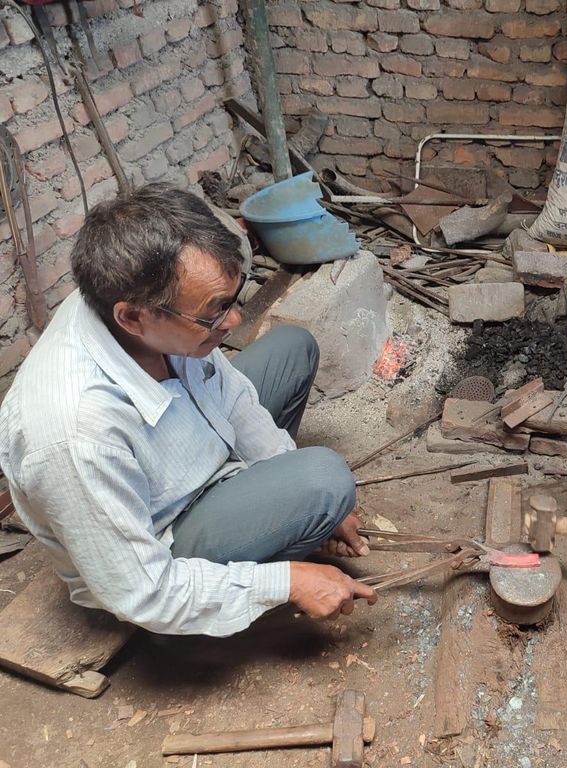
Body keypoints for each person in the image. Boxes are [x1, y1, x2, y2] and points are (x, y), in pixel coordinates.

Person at [0, 184, 376, 637]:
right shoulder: (74, 432)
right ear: (133, 318)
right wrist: (284, 580)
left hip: (195, 461)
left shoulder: (143, 303)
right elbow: (143, 591)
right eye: (214, 311)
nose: (233, 321)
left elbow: (232, 396)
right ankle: (249, 548)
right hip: (165, 538)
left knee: (292, 348)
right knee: (325, 479)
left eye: (230, 301)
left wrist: (309, 508)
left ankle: (276, 511)